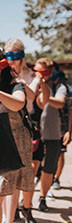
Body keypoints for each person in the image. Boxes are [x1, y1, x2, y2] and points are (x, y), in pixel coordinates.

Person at [0, 49, 34, 223]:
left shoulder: (14, 85)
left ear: (2, 68)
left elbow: (19, 103)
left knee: (0, 196)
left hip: (15, 145)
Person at [5, 39, 45, 222]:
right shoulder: (4, 74)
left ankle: (20, 211)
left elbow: (31, 97)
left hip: (25, 127)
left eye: (14, 55)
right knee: (7, 175)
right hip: (6, 126)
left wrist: (19, 82)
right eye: (7, 55)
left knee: (23, 174)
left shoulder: (30, 75)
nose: (10, 60)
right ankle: (10, 214)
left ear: (21, 56)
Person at [36, 58, 67, 212]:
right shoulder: (33, 83)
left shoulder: (59, 85)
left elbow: (59, 102)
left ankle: (42, 196)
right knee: (34, 165)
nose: (43, 75)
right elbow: (40, 103)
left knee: (49, 167)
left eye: (46, 71)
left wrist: (43, 87)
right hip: (36, 132)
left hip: (53, 133)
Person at [50, 62, 71, 190]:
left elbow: (70, 110)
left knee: (60, 153)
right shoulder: (46, 85)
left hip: (61, 127)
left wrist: (69, 130)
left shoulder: (65, 89)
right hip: (47, 127)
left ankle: (56, 178)